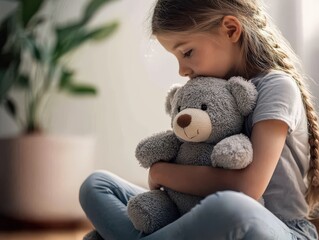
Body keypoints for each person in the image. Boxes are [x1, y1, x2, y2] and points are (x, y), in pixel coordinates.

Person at [79, 0, 319, 239]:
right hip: (204, 214)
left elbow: (249, 187)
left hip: (280, 229)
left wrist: (161, 173)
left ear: (231, 30)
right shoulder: (214, 90)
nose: (182, 71)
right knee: (97, 185)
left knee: (230, 207)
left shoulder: (277, 87)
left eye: (187, 52)